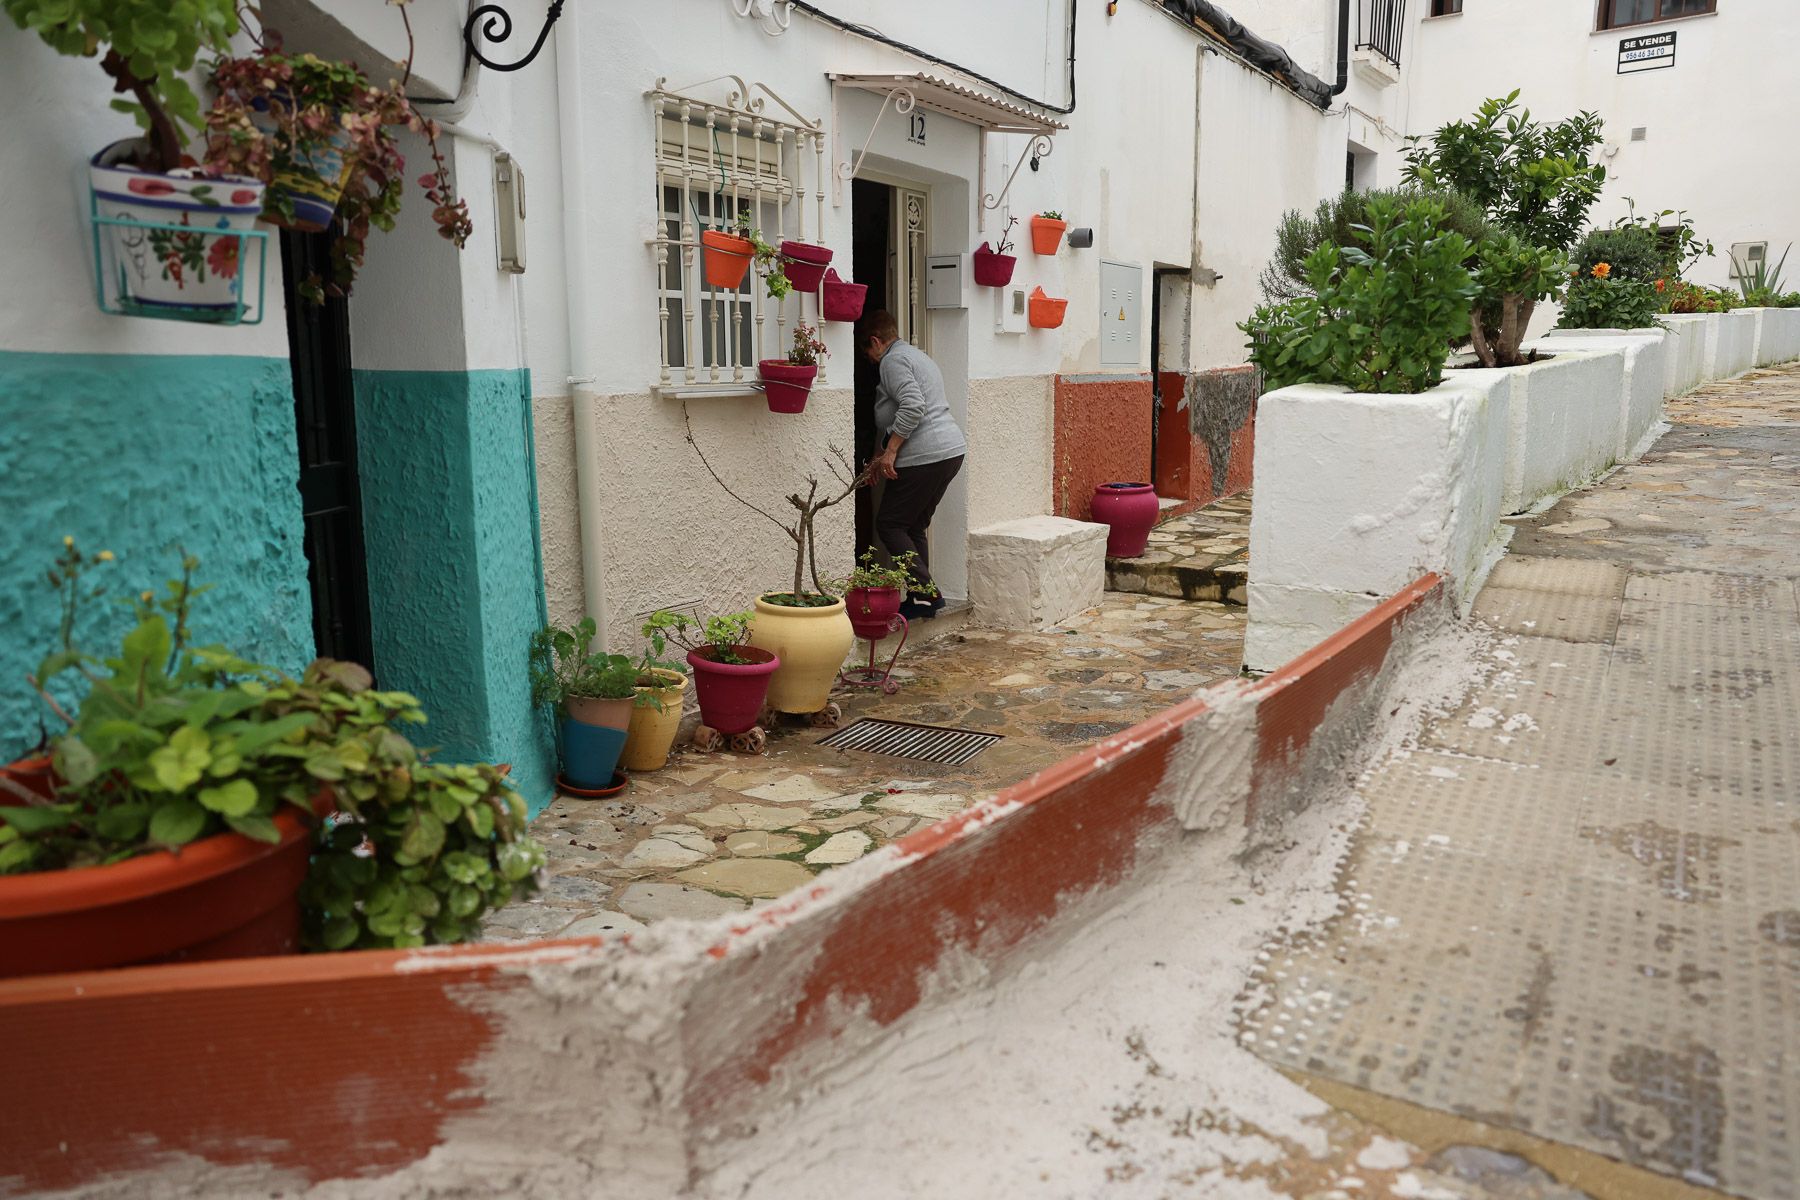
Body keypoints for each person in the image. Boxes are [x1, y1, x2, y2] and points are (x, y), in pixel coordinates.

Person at [860, 310, 966, 620]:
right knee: (914, 524)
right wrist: (882, 453)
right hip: (948, 451)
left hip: (926, 455)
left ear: (876, 341)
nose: (870, 360)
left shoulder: (892, 361)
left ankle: (928, 593)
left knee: (890, 524)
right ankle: (921, 599)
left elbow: (914, 405)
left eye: (868, 352)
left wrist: (892, 451)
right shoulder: (918, 356)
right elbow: (905, 411)